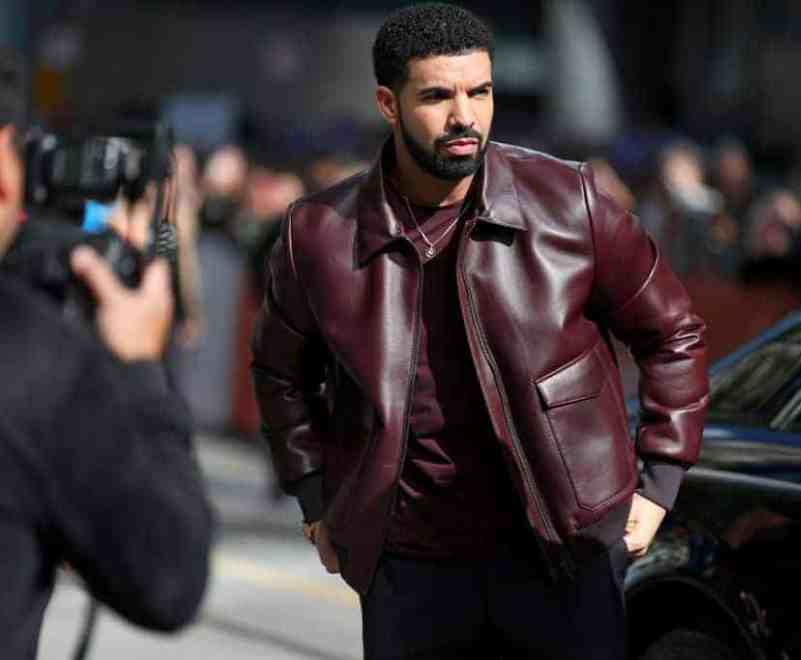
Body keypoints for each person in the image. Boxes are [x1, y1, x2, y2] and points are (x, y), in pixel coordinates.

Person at [252, 4, 708, 659]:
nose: (466, 115)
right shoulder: (318, 233)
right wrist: (315, 496)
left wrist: (659, 482)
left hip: (564, 554)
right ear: (388, 103)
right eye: (438, 95)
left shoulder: (568, 203)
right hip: (409, 568)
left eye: (481, 91)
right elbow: (278, 372)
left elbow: (673, 332)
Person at [0, 50, 213, 659]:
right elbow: (168, 582)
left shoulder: (171, 189)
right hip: (117, 297)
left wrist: (176, 271)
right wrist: (141, 372)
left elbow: (173, 243)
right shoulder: (37, 368)